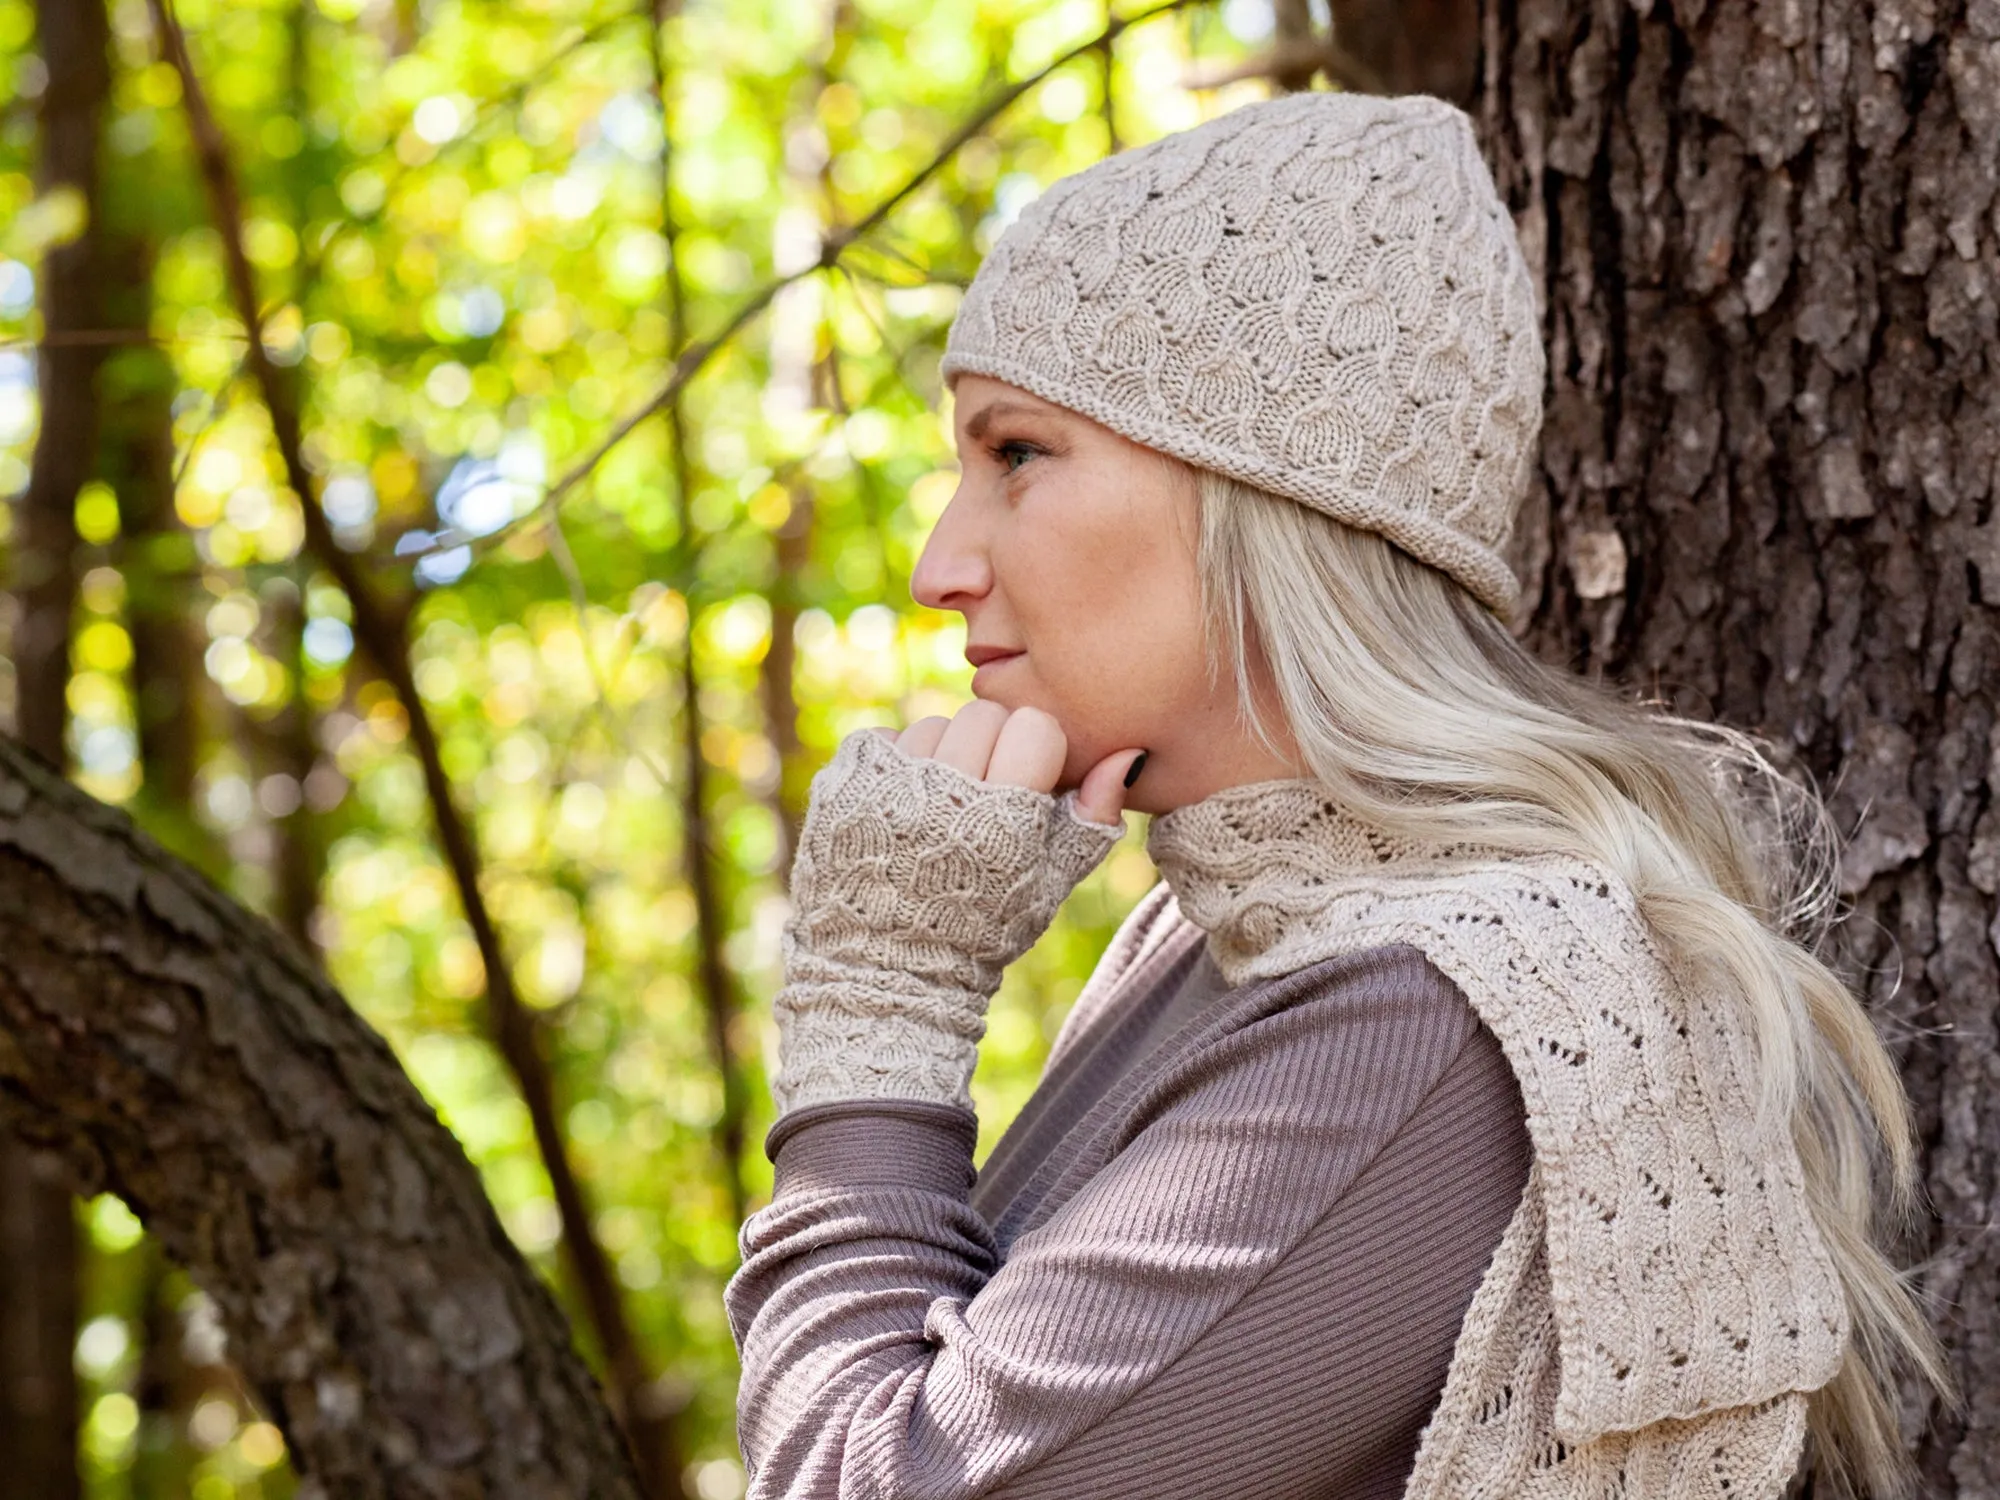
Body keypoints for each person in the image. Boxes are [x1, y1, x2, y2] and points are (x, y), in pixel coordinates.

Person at [723, 91, 1946, 1500]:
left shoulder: (1423, 1016)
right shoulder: (1208, 942)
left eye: (1016, 455)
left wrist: (880, 996)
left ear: (1266, 495)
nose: (942, 562)